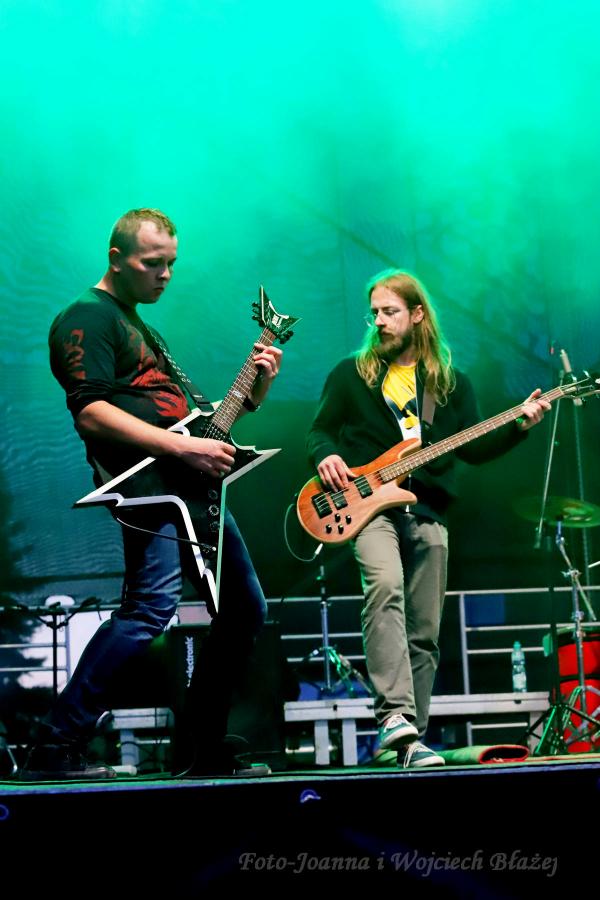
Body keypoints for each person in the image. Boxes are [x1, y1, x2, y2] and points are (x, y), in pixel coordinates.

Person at [25, 207, 282, 779]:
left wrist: (254, 394)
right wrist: (181, 450)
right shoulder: (87, 317)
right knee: (148, 609)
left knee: (244, 609)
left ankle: (203, 747)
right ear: (116, 258)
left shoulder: (138, 324)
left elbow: (192, 424)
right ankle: (55, 745)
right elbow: (91, 412)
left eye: (171, 264)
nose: (164, 275)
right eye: (152, 263)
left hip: (188, 483)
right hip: (152, 488)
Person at [306, 269, 550, 769]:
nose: (379, 321)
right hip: (368, 505)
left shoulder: (449, 384)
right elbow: (319, 431)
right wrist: (326, 455)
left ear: (417, 314)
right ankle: (394, 715)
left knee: (425, 631)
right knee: (384, 585)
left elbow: (474, 448)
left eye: (389, 311)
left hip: (427, 508)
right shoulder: (350, 374)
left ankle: (407, 743)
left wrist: (519, 427)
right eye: (374, 313)